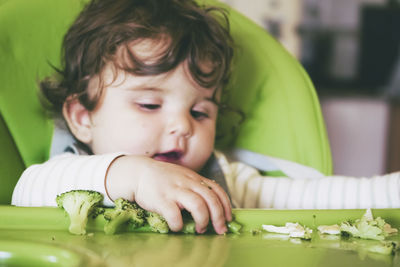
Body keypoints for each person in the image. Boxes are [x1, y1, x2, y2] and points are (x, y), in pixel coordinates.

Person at [12, 0, 400, 235]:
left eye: (200, 111)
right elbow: (25, 192)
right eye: (149, 105)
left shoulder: (222, 179)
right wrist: (131, 174)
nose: (183, 126)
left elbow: (319, 199)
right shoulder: (72, 172)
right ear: (82, 117)